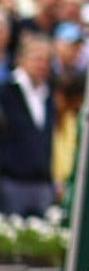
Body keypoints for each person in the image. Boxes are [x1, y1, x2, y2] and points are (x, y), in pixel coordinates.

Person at [0, 33, 56, 217]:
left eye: (47, 60)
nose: (42, 65)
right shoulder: (6, 92)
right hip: (11, 182)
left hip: (41, 183)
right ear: (21, 59)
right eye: (37, 59)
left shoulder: (48, 95)